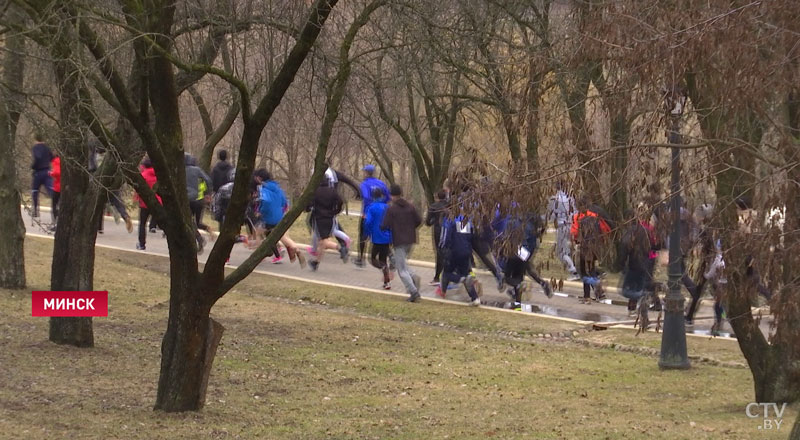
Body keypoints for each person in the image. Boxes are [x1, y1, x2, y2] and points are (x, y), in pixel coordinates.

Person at [381, 184, 422, 302]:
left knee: (401, 269)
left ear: (392, 195)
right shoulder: (410, 207)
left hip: (399, 241)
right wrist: (410, 228)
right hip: (410, 240)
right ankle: (413, 277)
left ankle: (413, 291)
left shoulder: (392, 209)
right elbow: (418, 220)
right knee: (403, 264)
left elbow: (385, 225)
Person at [617, 208, 656, 329]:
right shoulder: (648, 232)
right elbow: (655, 247)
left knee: (634, 289)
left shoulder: (632, 232)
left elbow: (624, 247)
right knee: (640, 289)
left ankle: (634, 311)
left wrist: (622, 264)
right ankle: (640, 315)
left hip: (634, 264)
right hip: (646, 264)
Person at [257, 170, 306, 268]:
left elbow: (265, 203)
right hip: (279, 216)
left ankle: (264, 255)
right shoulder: (278, 189)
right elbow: (285, 202)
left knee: (260, 233)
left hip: (268, 217)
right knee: (280, 236)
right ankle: (295, 249)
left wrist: (260, 211)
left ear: (261, 178)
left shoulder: (264, 189)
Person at [572, 197, 612, 303]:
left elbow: (575, 233)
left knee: (584, 271)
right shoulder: (595, 216)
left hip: (584, 247)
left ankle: (587, 296)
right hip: (595, 247)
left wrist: (575, 242)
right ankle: (600, 293)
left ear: (580, 206)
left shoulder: (577, 218)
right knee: (591, 269)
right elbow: (604, 230)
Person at [436, 215, 482, 306]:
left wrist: (442, 249)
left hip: (453, 251)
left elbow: (445, 237)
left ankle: (459, 280)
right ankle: (475, 298)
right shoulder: (468, 220)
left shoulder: (449, 220)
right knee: (466, 274)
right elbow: (471, 237)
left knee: (446, 273)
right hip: (466, 251)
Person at [355, 164, 390, 267]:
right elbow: (388, 197)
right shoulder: (381, 183)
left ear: (366, 173)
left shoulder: (364, 184)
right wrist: (382, 203)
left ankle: (361, 259)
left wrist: (370, 205)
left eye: (364, 172)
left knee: (363, 235)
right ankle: (389, 255)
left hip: (367, 212)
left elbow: (365, 197)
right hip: (382, 213)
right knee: (382, 233)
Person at [308, 179, 345, 271]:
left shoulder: (316, 191)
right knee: (322, 241)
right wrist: (336, 211)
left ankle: (340, 248)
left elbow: (310, 203)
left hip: (319, 218)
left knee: (322, 240)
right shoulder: (332, 191)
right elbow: (340, 201)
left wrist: (308, 208)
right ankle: (316, 262)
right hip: (330, 218)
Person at [547, 181, 579, 281]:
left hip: (562, 226)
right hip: (572, 225)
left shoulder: (554, 199)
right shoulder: (571, 199)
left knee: (560, 252)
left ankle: (573, 271)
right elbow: (576, 212)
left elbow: (551, 216)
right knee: (569, 249)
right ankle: (576, 268)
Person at [364, 187, 393, 289]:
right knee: (383, 258)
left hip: (376, 237)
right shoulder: (387, 207)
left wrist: (367, 233)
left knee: (372, 258)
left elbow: (368, 222)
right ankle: (387, 282)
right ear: (381, 196)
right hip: (387, 237)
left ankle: (383, 268)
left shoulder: (371, 208)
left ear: (373, 196)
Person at [185, 154, 214, 253]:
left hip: (187, 199)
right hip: (198, 199)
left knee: (188, 221)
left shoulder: (180, 170)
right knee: (196, 222)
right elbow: (208, 180)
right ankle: (197, 240)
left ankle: (198, 239)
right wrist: (208, 193)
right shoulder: (197, 170)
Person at [134, 157, 162, 250]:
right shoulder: (159, 175)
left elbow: (138, 189)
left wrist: (136, 198)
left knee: (142, 224)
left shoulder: (143, 175)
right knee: (163, 222)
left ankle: (142, 244)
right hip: (157, 202)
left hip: (144, 203)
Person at [425, 190, 448, 285]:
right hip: (449, 230)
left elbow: (427, 221)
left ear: (437, 197)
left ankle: (437, 277)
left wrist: (432, 222)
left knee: (439, 253)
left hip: (438, 231)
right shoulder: (451, 205)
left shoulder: (433, 206)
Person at [30, 133, 53, 221]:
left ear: (36, 139)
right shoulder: (47, 147)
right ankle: (57, 206)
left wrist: (33, 166)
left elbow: (37, 157)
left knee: (35, 191)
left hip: (38, 172)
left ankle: (35, 210)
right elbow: (51, 157)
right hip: (47, 171)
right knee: (51, 190)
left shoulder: (35, 148)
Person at [49, 154, 61, 225]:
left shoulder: (56, 161)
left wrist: (51, 173)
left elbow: (57, 172)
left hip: (57, 187)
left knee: (54, 205)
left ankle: (55, 222)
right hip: (65, 187)